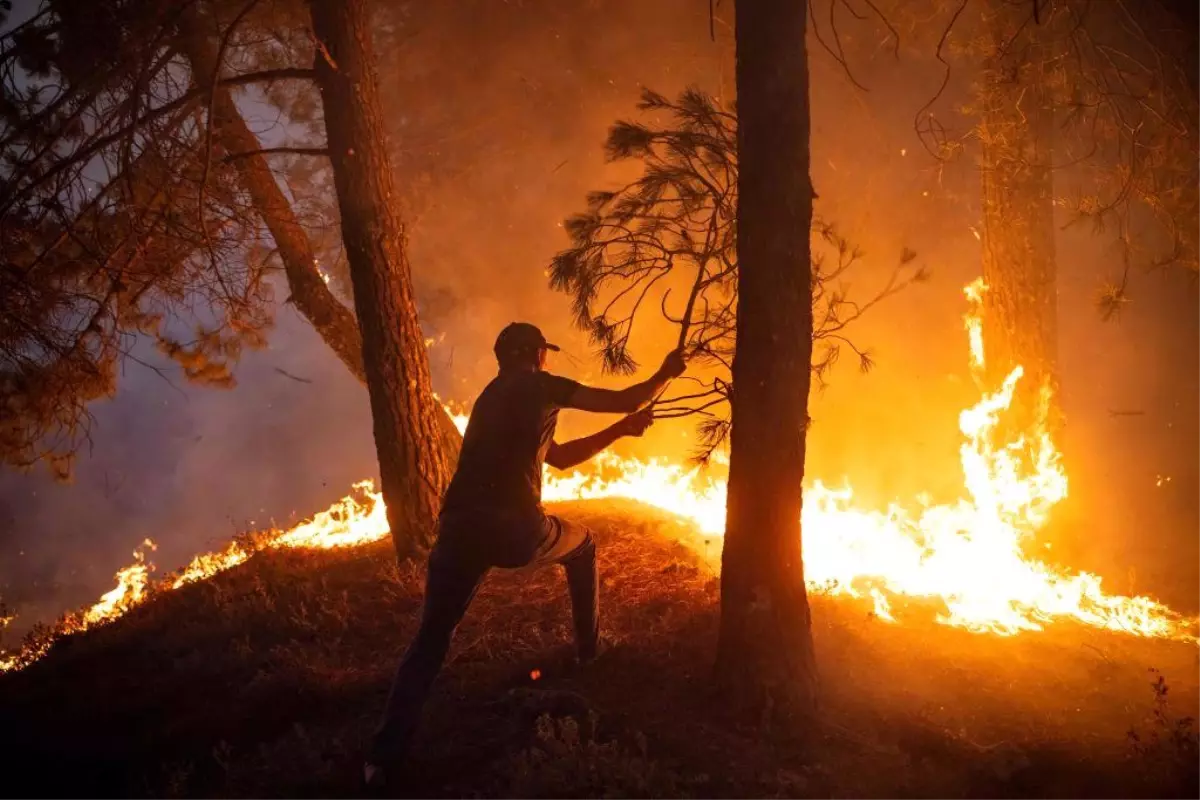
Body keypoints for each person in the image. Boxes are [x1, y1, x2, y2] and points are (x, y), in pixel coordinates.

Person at [364, 322, 687, 788]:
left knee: (429, 643)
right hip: (516, 529)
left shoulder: (489, 399)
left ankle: (381, 760)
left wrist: (621, 432)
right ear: (535, 354)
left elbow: (557, 458)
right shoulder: (539, 385)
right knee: (585, 545)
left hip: (457, 531)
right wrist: (664, 374)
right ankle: (589, 651)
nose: (547, 359)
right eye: (545, 352)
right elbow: (624, 398)